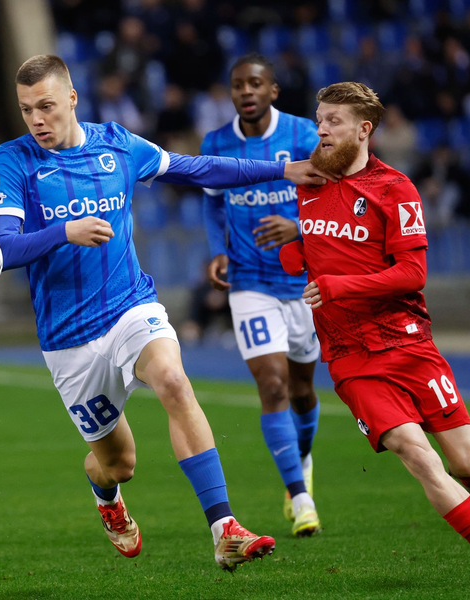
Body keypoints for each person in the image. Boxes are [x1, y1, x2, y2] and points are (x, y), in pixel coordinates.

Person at [0, 55, 334, 571]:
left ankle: (224, 528)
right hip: (68, 339)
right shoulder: (12, 160)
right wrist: (65, 231)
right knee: (118, 464)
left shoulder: (118, 145)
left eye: (47, 107)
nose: (37, 120)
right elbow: (3, 248)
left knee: (173, 379)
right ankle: (107, 500)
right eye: (26, 110)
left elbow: (195, 168)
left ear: (73, 99)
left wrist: (282, 168)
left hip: (130, 307)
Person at [279, 82, 470, 588]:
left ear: (363, 129)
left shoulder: (396, 189)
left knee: (467, 459)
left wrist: (337, 284)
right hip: (350, 355)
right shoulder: (307, 185)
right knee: (417, 454)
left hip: (410, 342)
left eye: (333, 121)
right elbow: (308, 256)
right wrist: (292, 250)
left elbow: (412, 274)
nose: (321, 129)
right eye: (319, 119)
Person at [201, 54, 323, 537]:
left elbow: (332, 197)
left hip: (303, 284)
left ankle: (304, 457)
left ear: (273, 90)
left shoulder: (303, 137)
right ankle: (300, 495)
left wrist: (297, 227)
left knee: (302, 389)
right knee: (272, 387)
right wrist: (218, 251)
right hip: (249, 282)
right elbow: (212, 205)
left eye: (255, 83)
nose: (246, 92)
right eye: (237, 85)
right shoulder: (217, 143)